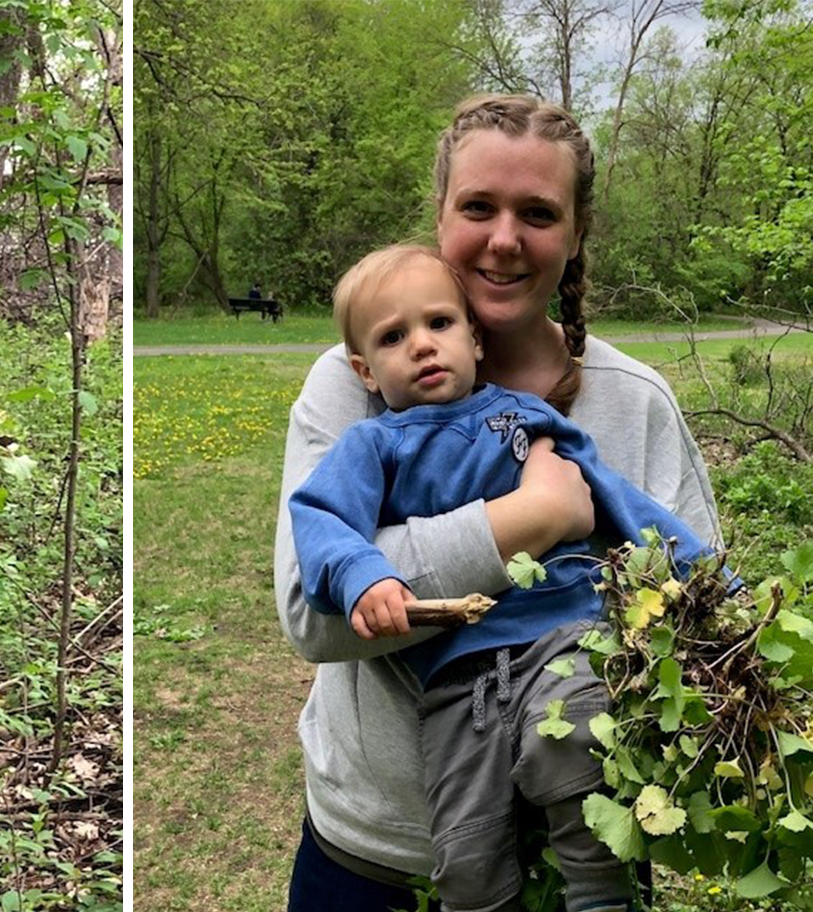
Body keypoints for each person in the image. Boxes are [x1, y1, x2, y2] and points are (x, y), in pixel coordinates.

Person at [274, 94, 722, 911]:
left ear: (576, 233)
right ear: (440, 216)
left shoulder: (633, 402)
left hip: (586, 846)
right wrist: (531, 519)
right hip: (373, 852)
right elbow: (313, 617)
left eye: (538, 213)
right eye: (477, 206)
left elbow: (693, 611)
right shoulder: (352, 386)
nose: (504, 238)